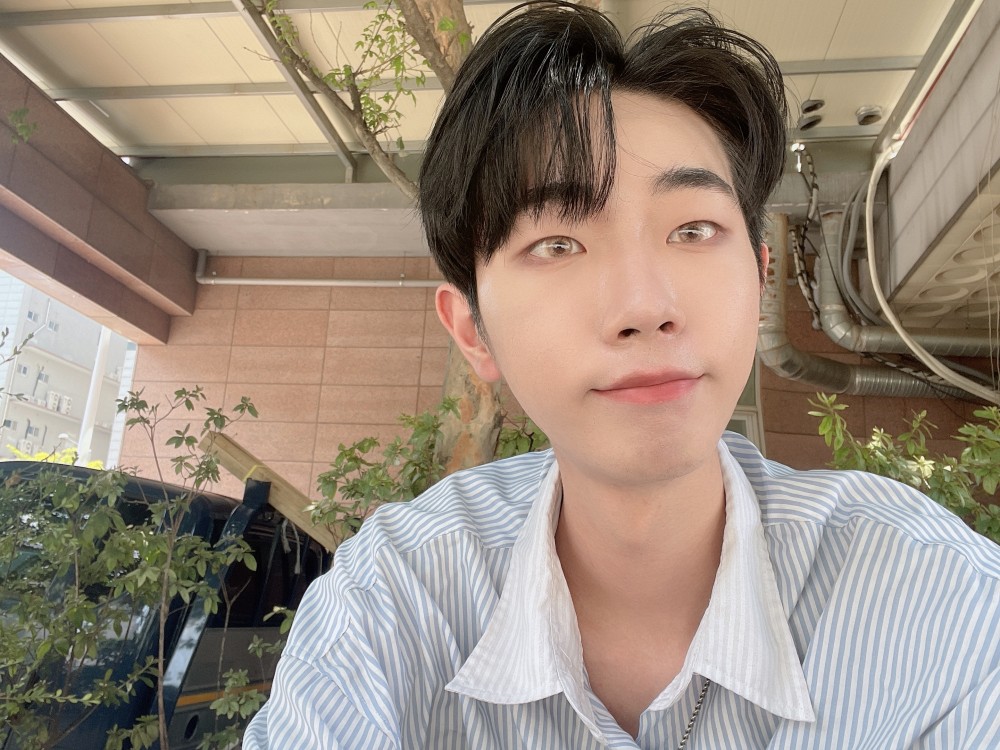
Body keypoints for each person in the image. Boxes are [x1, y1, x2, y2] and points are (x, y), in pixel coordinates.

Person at [244, 2, 1000, 747]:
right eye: (558, 244)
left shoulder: (940, 603)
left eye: (694, 229)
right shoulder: (393, 602)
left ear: (760, 279)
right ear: (473, 331)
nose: (645, 307)